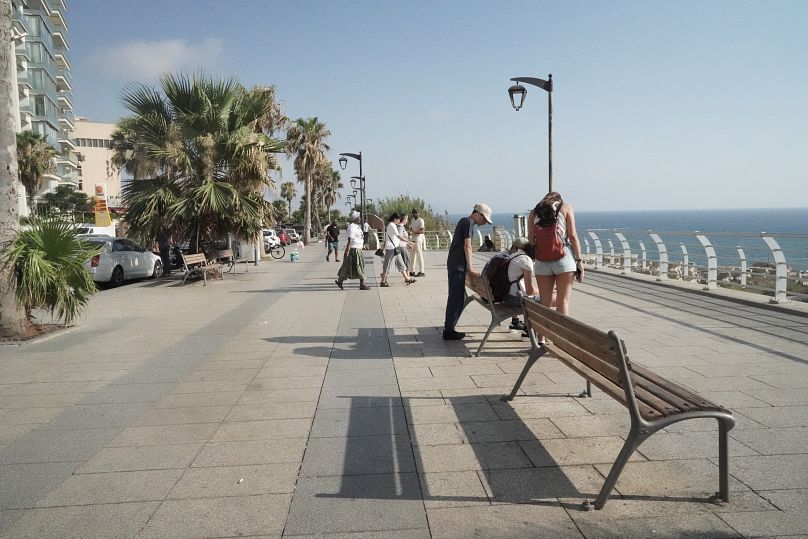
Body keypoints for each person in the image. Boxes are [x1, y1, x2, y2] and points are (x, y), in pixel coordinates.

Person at [528, 191, 584, 317]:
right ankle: (559, 337)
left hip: (542, 260)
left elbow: (531, 240)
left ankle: (541, 337)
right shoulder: (566, 207)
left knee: (544, 303)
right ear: (559, 200)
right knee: (563, 302)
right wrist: (579, 261)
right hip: (564, 259)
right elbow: (573, 236)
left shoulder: (533, 212)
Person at [443, 203, 493, 340]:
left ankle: (449, 327)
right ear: (478, 214)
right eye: (484, 219)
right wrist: (470, 268)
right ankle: (448, 330)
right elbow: (468, 246)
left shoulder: (464, 222)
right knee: (455, 298)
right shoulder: (468, 223)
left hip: (455, 264)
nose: (484, 223)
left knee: (457, 297)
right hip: (458, 266)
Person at [335, 211, 370, 290]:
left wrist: (363, 246)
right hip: (355, 250)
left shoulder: (356, 227)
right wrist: (347, 251)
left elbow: (358, 238)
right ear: (355, 219)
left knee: (348, 266)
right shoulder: (351, 227)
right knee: (359, 266)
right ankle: (362, 285)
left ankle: (340, 281)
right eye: (359, 217)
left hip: (358, 248)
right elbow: (350, 240)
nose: (360, 218)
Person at [380, 213, 416, 287]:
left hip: (395, 248)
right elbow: (399, 236)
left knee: (401, 264)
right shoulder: (392, 225)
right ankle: (383, 281)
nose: (399, 221)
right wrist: (409, 242)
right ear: (395, 219)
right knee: (387, 265)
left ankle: (407, 278)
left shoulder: (392, 225)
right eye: (398, 219)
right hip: (391, 248)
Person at [410, 208, 426, 277]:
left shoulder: (421, 221)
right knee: (412, 255)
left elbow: (422, 231)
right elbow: (411, 228)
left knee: (419, 254)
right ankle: (412, 270)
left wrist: (413, 232)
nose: (414, 214)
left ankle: (421, 271)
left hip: (418, 239)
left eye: (415, 212)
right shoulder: (412, 220)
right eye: (413, 212)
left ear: (418, 213)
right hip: (413, 239)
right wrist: (410, 232)